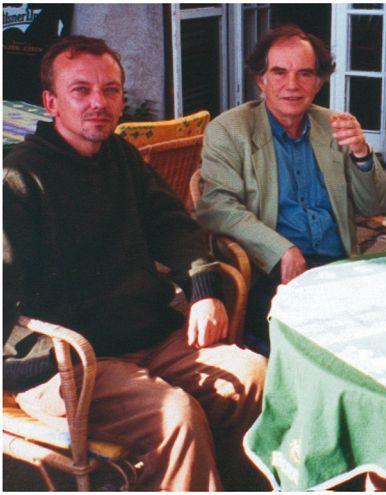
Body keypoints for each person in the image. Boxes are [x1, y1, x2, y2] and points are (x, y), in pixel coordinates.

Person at [3, 35, 267, 491]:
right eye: (81, 90)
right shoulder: (20, 176)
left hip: (147, 337)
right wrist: (19, 367)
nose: (98, 102)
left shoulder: (121, 156)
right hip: (71, 361)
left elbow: (173, 226)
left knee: (252, 377)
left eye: (110, 90)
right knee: (175, 417)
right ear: (51, 102)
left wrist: (203, 288)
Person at [196, 25, 386, 355]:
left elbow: (374, 205)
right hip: (271, 275)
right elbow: (217, 205)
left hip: (339, 269)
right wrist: (280, 249)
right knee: (328, 342)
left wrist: (361, 153)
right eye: (279, 72)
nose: (292, 85)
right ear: (261, 80)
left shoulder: (333, 125)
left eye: (305, 74)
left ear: (318, 82)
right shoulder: (229, 130)